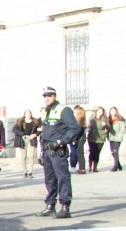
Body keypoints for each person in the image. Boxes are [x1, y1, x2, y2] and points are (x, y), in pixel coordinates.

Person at [37, 86, 81, 218]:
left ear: (54, 96)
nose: (47, 98)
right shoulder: (45, 111)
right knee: (49, 179)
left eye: (49, 95)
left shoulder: (63, 110)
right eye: (45, 96)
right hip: (47, 149)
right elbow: (44, 132)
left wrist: (61, 141)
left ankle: (65, 207)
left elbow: (75, 128)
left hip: (58, 149)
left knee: (62, 178)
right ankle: (50, 205)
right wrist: (41, 151)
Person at [12, 109, 40, 178]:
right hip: (23, 139)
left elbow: (40, 130)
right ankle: (25, 171)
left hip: (32, 139)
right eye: (27, 113)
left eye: (29, 113)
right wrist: (22, 134)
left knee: (31, 156)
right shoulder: (20, 121)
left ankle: (30, 172)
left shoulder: (35, 122)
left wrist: (35, 135)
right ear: (24, 115)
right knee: (23, 156)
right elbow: (14, 129)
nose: (28, 115)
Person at [86, 106, 108, 172]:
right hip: (92, 137)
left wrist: (106, 125)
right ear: (96, 111)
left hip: (101, 138)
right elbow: (87, 125)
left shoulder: (104, 119)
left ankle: (95, 167)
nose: (100, 113)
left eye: (101, 112)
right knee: (92, 151)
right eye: (99, 111)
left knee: (97, 153)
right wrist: (88, 126)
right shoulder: (92, 118)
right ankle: (90, 166)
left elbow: (109, 127)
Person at [106, 106, 126, 171]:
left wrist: (120, 136)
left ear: (116, 111)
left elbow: (122, 129)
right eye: (111, 111)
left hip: (117, 138)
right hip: (111, 137)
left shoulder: (120, 119)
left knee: (115, 151)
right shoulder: (108, 119)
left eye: (114, 111)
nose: (113, 112)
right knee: (113, 152)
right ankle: (119, 165)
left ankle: (115, 166)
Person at [70, 105, 87, 174]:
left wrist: (74, 139)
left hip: (80, 139)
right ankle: (81, 168)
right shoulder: (77, 120)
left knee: (80, 153)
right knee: (78, 153)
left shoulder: (79, 120)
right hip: (79, 138)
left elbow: (78, 131)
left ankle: (82, 169)